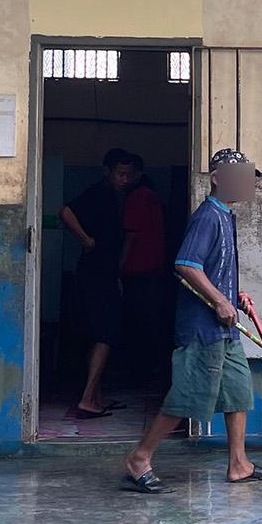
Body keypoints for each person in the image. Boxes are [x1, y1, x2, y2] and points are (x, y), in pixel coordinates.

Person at [121, 148, 262, 493]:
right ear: (217, 179)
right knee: (188, 396)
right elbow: (186, 264)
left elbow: (212, 269)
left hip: (224, 329)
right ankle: (140, 457)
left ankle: (239, 464)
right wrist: (220, 300)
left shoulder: (227, 216)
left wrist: (235, 295)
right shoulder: (208, 216)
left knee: (239, 392)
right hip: (201, 329)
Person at [59, 149, 138, 419]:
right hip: (95, 273)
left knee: (104, 334)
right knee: (104, 334)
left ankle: (96, 395)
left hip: (105, 272)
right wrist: (86, 240)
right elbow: (66, 212)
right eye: (120, 174)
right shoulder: (99, 192)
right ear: (109, 172)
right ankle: (87, 398)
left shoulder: (117, 196)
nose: (124, 179)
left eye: (129, 175)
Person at [118, 151, 170, 386]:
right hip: (155, 267)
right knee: (151, 321)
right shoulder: (152, 196)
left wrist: (119, 267)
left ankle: (138, 373)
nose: (124, 180)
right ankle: (150, 369)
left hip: (137, 269)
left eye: (128, 174)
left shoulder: (136, 198)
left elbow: (131, 236)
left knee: (136, 324)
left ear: (138, 174)